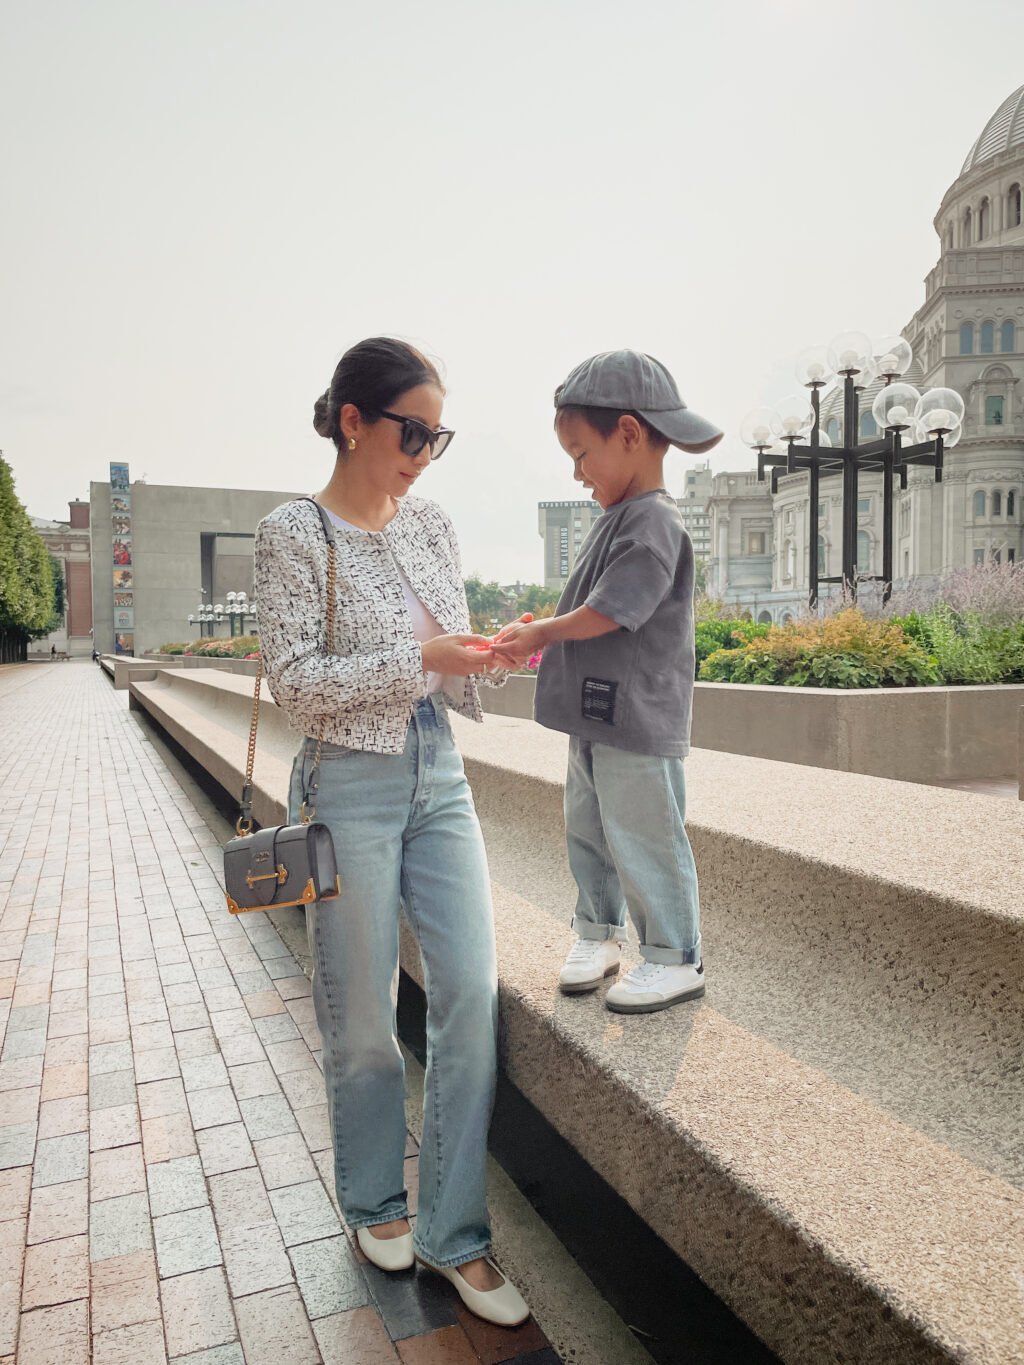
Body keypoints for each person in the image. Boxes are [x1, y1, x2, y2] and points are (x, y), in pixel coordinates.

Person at [254, 337, 529, 1327]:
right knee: (362, 1018)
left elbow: (443, 661)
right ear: (354, 421)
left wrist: (485, 655)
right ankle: (373, 1199)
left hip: (438, 774)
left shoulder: (434, 526)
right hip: (347, 785)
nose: (424, 451)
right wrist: (424, 659)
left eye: (438, 435)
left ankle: (457, 1235)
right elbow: (297, 684)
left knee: (469, 994)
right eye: (411, 430)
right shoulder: (295, 533)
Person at [492, 350, 722, 1014]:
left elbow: (611, 611)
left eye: (581, 452)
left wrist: (542, 634)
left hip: (637, 719)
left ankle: (675, 955)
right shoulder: (621, 516)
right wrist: (544, 629)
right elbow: (592, 610)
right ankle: (598, 932)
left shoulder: (655, 522)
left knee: (646, 833)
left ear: (628, 432)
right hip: (596, 716)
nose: (577, 471)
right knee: (588, 826)